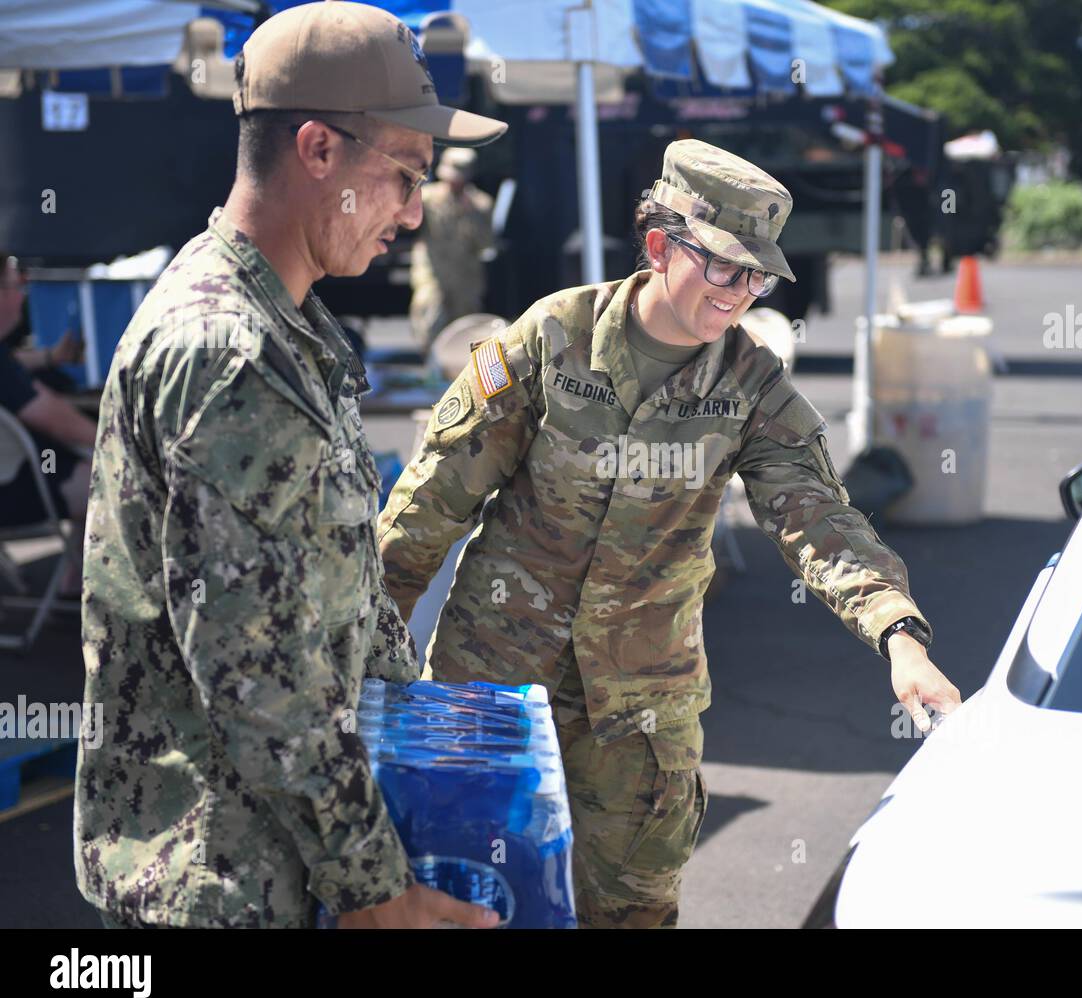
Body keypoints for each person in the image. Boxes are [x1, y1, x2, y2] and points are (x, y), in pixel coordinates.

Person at [378, 138, 962, 928]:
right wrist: (367, 657)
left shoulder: (752, 384)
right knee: (477, 902)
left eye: (756, 275)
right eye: (724, 266)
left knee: (633, 912)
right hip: (496, 687)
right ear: (659, 246)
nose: (741, 291)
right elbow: (430, 504)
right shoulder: (553, 339)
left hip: (642, 709)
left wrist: (900, 636)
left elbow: (818, 518)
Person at [75, 0, 508, 929]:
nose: (414, 211)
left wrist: (419, 733)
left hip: (272, 860)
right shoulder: (230, 349)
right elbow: (257, 670)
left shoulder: (285, 323)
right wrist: (375, 889)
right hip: (227, 882)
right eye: (402, 174)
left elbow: (334, 591)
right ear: (318, 150)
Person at [0, 254, 93, 597]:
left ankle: (73, 578)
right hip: (10, 496)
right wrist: (119, 446)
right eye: (16, 284)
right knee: (112, 478)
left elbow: (13, 365)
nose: (23, 294)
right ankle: (86, 585)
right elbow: (52, 418)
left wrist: (52, 357)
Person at [408, 146, 495, 354]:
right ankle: (430, 367)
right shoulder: (427, 199)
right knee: (430, 320)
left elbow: (486, 244)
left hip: (465, 277)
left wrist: (470, 216)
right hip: (433, 272)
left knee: (466, 329)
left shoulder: (480, 204)